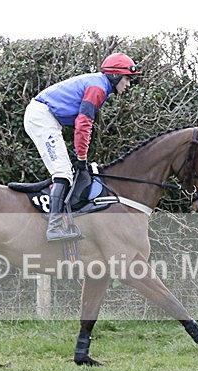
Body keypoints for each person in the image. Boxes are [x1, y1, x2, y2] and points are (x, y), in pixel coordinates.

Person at [24, 52, 140, 241]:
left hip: (46, 117)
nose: (128, 85)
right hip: (42, 117)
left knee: (65, 172)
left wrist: (80, 157)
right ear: (116, 75)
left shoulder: (99, 85)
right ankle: (54, 228)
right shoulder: (98, 88)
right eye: (127, 79)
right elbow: (83, 124)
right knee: (63, 173)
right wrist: (81, 158)